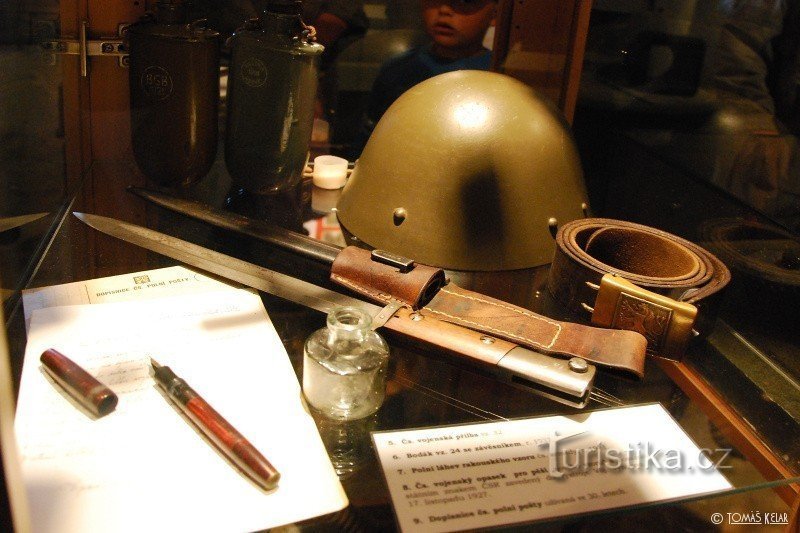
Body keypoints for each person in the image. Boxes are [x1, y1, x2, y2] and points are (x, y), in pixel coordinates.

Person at [350, 0, 497, 157]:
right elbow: (368, 141)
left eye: (464, 2)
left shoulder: (497, 76)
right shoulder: (398, 68)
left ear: (495, 13)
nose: (445, 9)